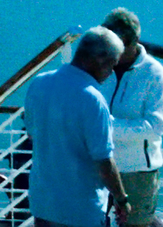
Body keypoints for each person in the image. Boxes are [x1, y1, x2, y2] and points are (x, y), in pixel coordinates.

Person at [22, 28, 125, 227]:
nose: (112, 71)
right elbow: (104, 161)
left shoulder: (39, 83)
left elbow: (32, 134)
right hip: (81, 210)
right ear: (100, 59)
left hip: (44, 203)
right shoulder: (93, 99)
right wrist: (121, 198)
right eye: (113, 63)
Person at [96, 8, 163, 227]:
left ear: (129, 42)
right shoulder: (101, 66)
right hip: (99, 164)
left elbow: (155, 125)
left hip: (136, 172)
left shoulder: (153, 73)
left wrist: (108, 127)